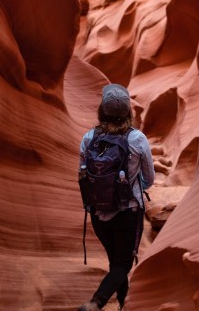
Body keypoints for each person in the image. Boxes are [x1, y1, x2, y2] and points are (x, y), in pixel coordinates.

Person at [77, 84, 155, 311]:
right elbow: (149, 178)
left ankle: (124, 304)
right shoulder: (137, 139)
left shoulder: (88, 138)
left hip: (98, 215)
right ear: (128, 113)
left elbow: (82, 173)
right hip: (128, 212)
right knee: (122, 264)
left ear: (101, 111)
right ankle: (96, 302)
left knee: (115, 263)